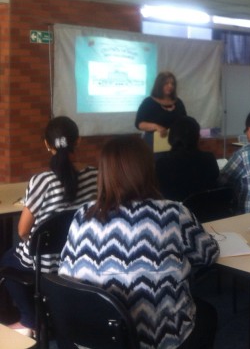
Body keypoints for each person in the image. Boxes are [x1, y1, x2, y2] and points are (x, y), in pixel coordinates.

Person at [59, 136, 219, 349]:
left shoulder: (82, 215)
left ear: (103, 173)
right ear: (148, 170)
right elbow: (208, 255)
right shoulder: (173, 212)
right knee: (208, 314)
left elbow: (64, 271)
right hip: (160, 338)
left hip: (93, 337)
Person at [0, 116, 98, 337]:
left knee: (6, 261)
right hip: (77, 256)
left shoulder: (42, 181)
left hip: (43, 263)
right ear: (78, 141)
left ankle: (29, 320)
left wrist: (34, 244)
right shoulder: (94, 175)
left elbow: (23, 231)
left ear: (47, 144)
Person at [155, 116, 219, 201]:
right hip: (207, 210)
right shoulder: (209, 159)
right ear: (197, 137)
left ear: (171, 137)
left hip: (174, 212)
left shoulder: (161, 164)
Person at [135, 71, 187, 147]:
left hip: (176, 142)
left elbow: (185, 121)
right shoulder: (148, 102)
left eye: (172, 84)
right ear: (159, 85)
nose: (170, 86)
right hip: (155, 142)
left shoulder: (178, 102)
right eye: (166, 83)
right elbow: (139, 123)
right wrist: (156, 127)